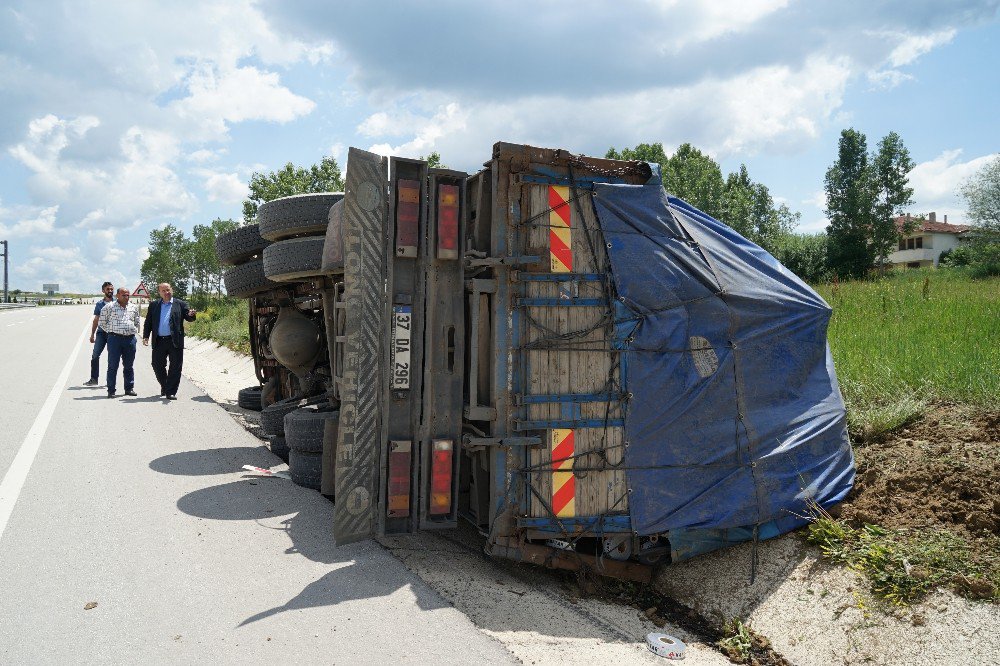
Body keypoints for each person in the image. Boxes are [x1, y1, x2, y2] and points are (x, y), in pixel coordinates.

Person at [142, 283, 197, 400]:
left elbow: (188, 316)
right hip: (159, 340)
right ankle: (165, 385)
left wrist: (191, 314)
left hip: (175, 341)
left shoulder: (181, 304)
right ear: (159, 293)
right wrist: (146, 336)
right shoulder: (154, 305)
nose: (166, 292)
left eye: (168, 290)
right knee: (156, 365)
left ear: (171, 290)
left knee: (175, 366)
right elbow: (148, 322)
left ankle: (170, 391)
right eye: (163, 291)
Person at [98, 287, 140, 398]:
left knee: (129, 366)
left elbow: (137, 322)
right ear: (117, 295)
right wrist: (112, 332)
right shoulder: (109, 307)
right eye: (123, 295)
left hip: (130, 340)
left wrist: (132, 330)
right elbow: (102, 322)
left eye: (128, 295)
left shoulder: (133, 307)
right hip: (114, 340)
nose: (126, 297)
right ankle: (111, 390)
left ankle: (129, 388)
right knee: (112, 365)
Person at [83, 281, 114, 386]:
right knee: (95, 356)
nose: (110, 291)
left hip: (113, 334)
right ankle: (94, 379)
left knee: (112, 357)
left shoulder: (117, 302)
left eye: (111, 289)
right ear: (103, 291)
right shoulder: (99, 304)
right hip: (101, 333)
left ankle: (110, 381)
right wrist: (92, 334)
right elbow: (96, 319)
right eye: (108, 289)